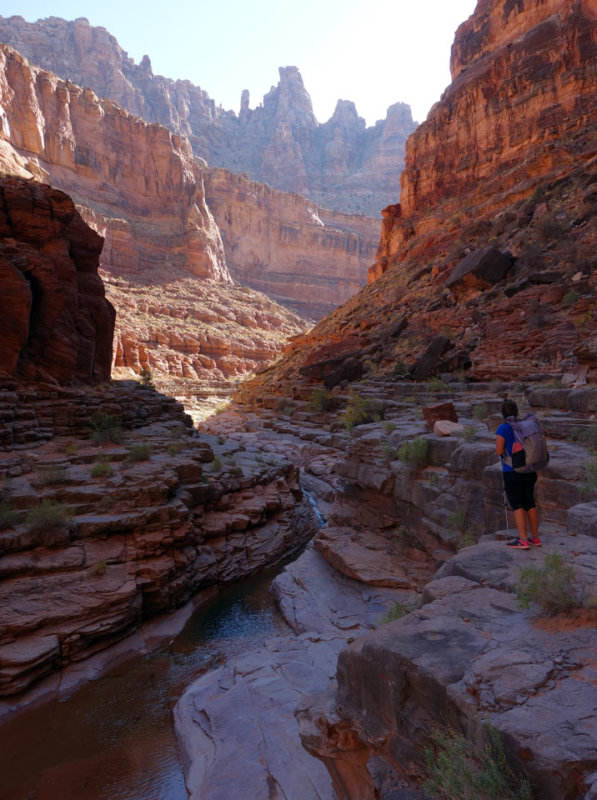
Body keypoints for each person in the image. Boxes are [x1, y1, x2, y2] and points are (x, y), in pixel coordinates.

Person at [495, 399, 541, 550]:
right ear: (516, 411)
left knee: (517, 505)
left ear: (503, 413)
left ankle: (523, 540)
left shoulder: (503, 428)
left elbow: (499, 451)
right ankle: (535, 538)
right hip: (530, 470)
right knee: (530, 503)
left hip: (512, 471)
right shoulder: (525, 425)